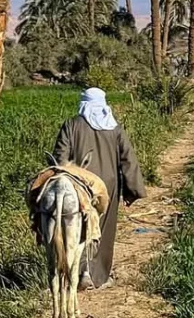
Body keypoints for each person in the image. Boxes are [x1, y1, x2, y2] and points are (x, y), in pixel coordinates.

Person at [52, 87, 145, 288]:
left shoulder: (72, 125)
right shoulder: (114, 128)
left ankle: (77, 272)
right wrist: (133, 190)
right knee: (102, 228)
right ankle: (97, 276)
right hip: (107, 187)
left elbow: (61, 157)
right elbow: (128, 159)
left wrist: (62, 179)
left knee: (76, 226)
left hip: (77, 184)